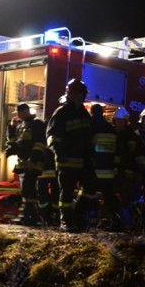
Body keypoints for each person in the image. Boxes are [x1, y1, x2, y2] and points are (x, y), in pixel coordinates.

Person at [46, 79, 96, 232]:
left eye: (83, 94)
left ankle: (79, 216)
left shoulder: (84, 113)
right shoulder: (61, 113)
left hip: (83, 161)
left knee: (90, 187)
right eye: (79, 94)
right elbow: (52, 136)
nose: (82, 97)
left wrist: (91, 156)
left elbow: (89, 137)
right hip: (66, 161)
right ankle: (66, 221)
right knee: (66, 193)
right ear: (72, 94)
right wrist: (59, 154)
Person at [5, 103, 47, 225]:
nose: (18, 116)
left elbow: (40, 143)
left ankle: (29, 216)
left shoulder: (37, 124)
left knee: (29, 189)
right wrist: (11, 127)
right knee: (26, 190)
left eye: (19, 113)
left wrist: (33, 160)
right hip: (23, 164)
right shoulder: (21, 126)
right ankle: (30, 215)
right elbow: (14, 142)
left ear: (24, 111)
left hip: (31, 163)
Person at [112, 107, 145, 231]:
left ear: (126, 122)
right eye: (117, 121)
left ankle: (127, 224)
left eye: (121, 121)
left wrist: (140, 172)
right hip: (114, 174)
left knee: (127, 200)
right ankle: (116, 223)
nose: (119, 124)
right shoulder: (112, 135)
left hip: (128, 175)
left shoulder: (133, 137)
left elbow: (140, 156)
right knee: (114, 199)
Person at [89, 103, 121, 230]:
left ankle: (86, 219)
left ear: (91, 112)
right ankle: (116, 221)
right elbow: (116, 152)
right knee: (109, 196)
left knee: (87, 194)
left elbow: (88, 146)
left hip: (94, 168)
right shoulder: (110, 128)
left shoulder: (91, 125)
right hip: (108, 170)